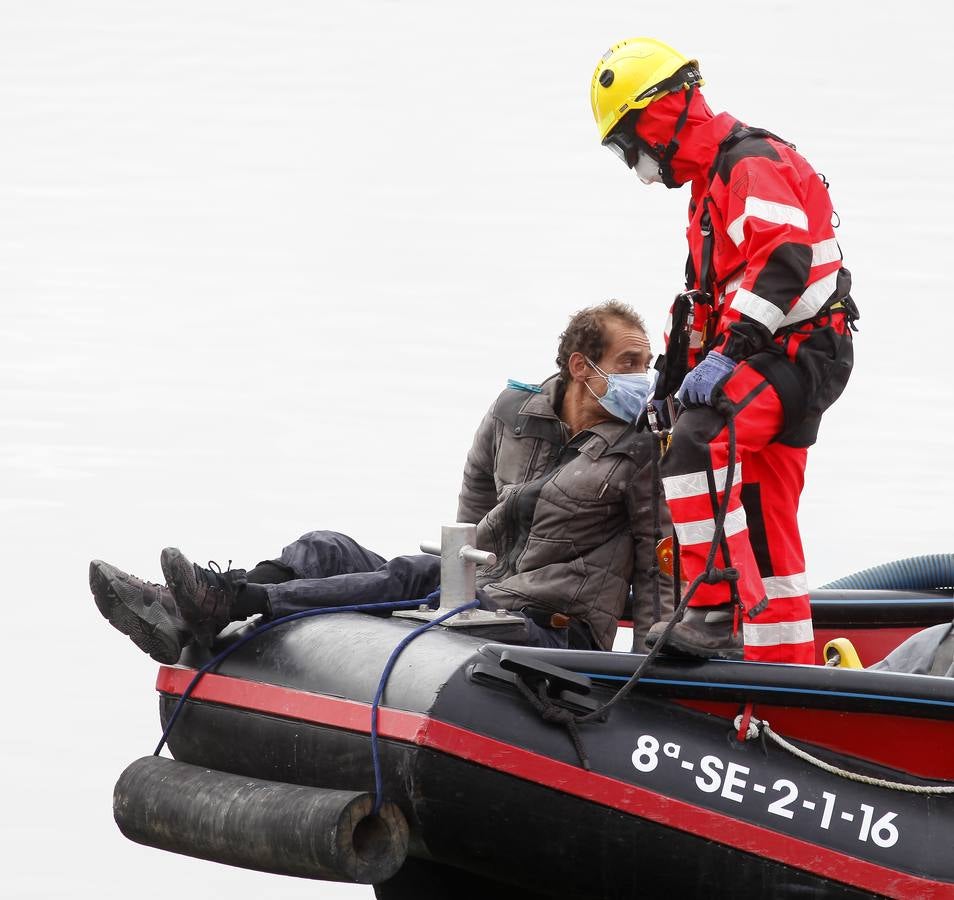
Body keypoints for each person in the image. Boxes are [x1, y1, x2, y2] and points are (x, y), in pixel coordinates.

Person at [90, 300, 673, 662]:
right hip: (486, 593)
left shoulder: (642, 450)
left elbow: (657, 566)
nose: (642, 379)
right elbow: (470, 511)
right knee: (325, 548)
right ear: (580, 366)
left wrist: (646, 670)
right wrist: (471, 575)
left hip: (550, 625)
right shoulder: (513, 414)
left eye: (646, 364)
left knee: (416, 575)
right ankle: (184, 610)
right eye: (629, 363)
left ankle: (232, 600)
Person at [590, 38, 859, 663]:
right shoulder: (709, 189)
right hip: (787, 355)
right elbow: (703, 304)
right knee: (765, 517)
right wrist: (669, 381)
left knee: (697, 442)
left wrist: (730, 352)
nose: (636, 162)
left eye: (630, 143)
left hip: (797, 354)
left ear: (658, 115)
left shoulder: (748, 165)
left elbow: (783, 262)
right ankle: (783, 676)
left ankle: (712, 608)